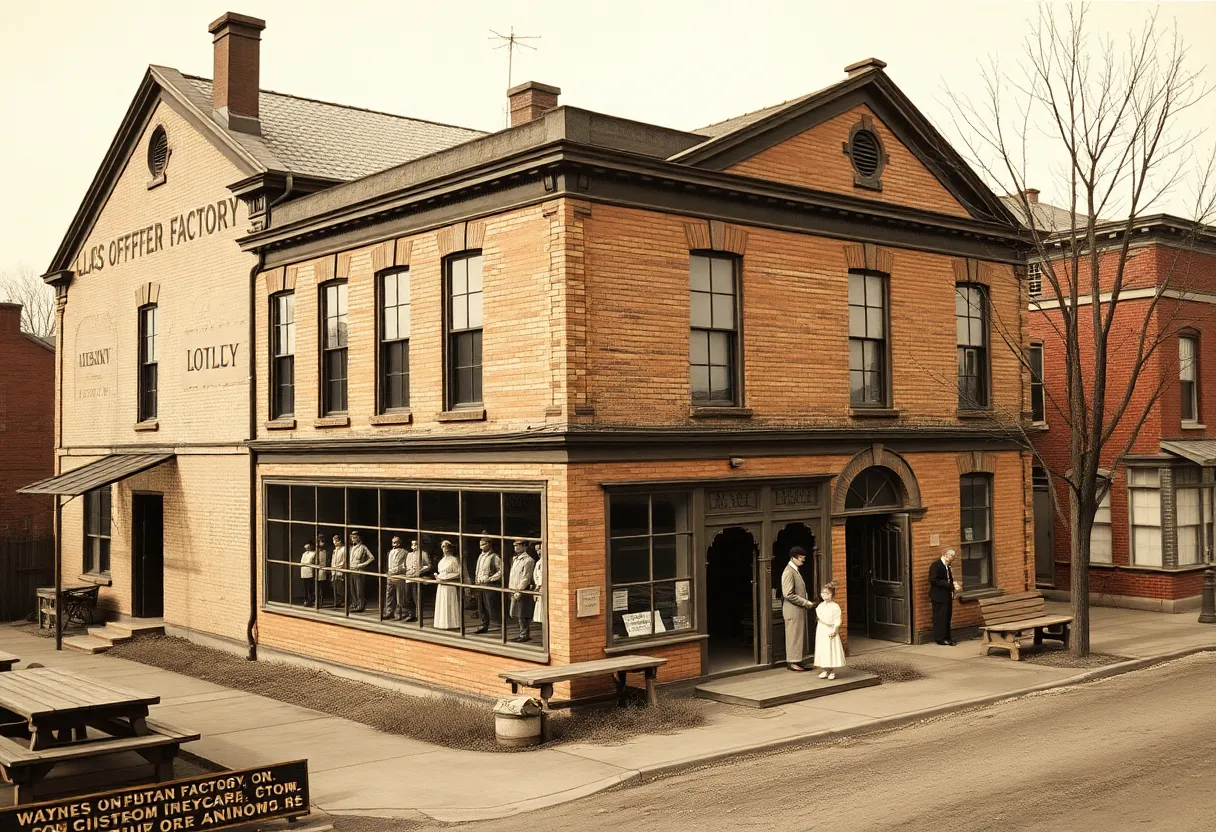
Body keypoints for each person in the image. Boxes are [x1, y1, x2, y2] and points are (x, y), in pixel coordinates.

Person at [781, 546, 817, 671]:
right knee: (793, 636)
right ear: (793, 557)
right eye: (801, 558)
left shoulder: (794, 570)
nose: (803, 560)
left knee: (798, 635)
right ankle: (792, 662)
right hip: (793, 610)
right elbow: (788, 594)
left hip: (797, 610)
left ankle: (797, 660)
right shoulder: (788, 571)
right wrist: (806, 602)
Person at [929, 548, 963, 645]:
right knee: (940, 617)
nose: (953, 558)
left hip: (946, 595)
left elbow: (949, 580)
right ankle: (940, 638)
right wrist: (950, 585)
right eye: (951, 556)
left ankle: (947, 637)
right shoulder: (936, 565)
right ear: (945, 555)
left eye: (953, 556)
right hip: (938, 596)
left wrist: (953, 586)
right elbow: (933, 580)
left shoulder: (947, 566)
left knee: (947, 616)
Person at [813, 581, 845, 680]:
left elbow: (837, 619)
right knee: (822, 648)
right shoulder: (820, 606)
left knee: (830, 649)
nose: (824, 595)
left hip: (830, 629)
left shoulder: (835, 606)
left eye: (827, 593)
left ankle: (831, 670)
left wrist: (835, 629)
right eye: (823, 593)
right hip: (822, 629)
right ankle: (824, 669)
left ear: (832, 594)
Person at [507, 540, 536, 642]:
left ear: (524, 546)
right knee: (515, 613)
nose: (515, 547)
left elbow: (526, 577)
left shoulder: (528, 560)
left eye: (518, 545)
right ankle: (521, 633)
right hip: (513, 588)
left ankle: (524, 634)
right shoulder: (515, 559)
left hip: (521, 590)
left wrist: (520, 590)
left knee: (522, 614)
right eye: (514, 545)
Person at [473, 537, 503, 634]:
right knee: (482, 606)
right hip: (480, 584)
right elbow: (477, 570)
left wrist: (491, 579)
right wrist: (476, 580)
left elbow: (501, 571)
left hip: (489, 585)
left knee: (491, 605)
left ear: (489, 544)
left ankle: (500, 625)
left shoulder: (495, 557)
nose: (481, 546)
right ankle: (484, 625)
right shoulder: (480, 557)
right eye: (480, 544)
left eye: (484, 544)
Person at [402, 538, 433, 622]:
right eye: (412, 544)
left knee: (417, 598)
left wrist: (421, 570)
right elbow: (405, 565)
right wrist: (404, 568)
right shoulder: (409, 554)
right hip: (408, 578)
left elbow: (429, 565)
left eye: (415, 544)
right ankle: (411, 615)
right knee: (408, 598)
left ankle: (419, 615)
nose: (414, 546)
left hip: (417, 578)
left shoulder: (423, 554)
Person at [434, 540, 462, 630]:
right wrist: (438, 576)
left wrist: (446, 577)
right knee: (442, 603)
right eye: (442, 547)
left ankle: (452, 623)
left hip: (449, 585)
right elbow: (440, 572)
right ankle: (441, 623)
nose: (444, 549)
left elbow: (458, 573)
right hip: (441, 585)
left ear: (449, 548)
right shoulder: (441, 561)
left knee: (449, 603)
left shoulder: (454, 560)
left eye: (445, 547)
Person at [347, 531, 375, 613]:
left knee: (359, 590)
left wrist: (362, 564)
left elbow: (371, 558)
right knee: (353, 590)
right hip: (351, 570)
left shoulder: (363, 547)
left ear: (359, 538)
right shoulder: (351, 548)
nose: (353, 539)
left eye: (355, 537)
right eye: (352, 537)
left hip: (359, 571)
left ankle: (360, 606)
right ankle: (355, 604)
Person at [384, 536, 409, 620]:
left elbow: (405, 566)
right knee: (389, 595)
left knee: (400, 597)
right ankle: (389, 612)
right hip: (390, 576)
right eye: (393, 542)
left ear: (399, 543)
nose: (394, 544)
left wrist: (396, 570)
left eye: (395, 542)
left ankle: (400, 614)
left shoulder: (405, 552)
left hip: (399, 577)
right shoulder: (390, 552)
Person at [330, 534, 347, 610]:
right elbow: (333, 561)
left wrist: (340, 567)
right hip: (334, 570)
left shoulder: (344, 549)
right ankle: (336, 601)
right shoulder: (334, 550)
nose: (335, 542)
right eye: (334, 540)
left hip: (340, 570)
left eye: (336, 541)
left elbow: (344, 560)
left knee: (340, 587)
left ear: (340, 541)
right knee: (335, 587)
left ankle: (342, 601)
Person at [315, 535, 331, 608]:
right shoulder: (316, 551)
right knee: (316, 587)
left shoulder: (326, 551)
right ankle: (316, 601)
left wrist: (327, 570)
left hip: (323, 570)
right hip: (316, 570)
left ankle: (320, 602)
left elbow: (327, 561)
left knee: (321, 587)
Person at [299, 542, 317, 607]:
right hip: (304, 572)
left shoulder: (314, 553)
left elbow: (311, 562)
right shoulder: (304, 554)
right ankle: (306, 599)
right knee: (306, 587)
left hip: (310, 572)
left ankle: (311, 600)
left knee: (310, 587)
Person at [532, 544, 545, 629]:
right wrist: (537, 586)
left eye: (539, 549)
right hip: (539, 588)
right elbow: (535, 575)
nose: (538, 552)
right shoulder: (538, 562)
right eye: (536, 550)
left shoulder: (545, 562)